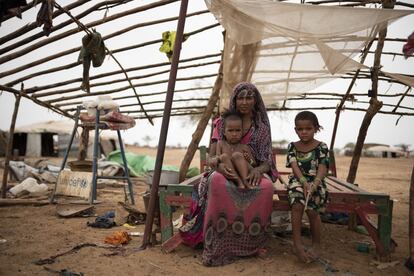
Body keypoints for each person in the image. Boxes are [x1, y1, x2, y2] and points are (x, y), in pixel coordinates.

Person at [180, 82, 278, 266]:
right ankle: (218, 241)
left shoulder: (262, 128)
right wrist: (218, 167)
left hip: (250, 170)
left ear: (255, 100)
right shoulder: (221, 122)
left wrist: (257, 170)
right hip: (223, 168)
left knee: (266, 187)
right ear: (234, 99)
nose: (245, 101)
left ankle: (255, 243)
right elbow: (212, 156)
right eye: (240, 97)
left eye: (249, 97)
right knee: (217, 182)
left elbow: (267, 162)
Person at [286, 111, 329, 263]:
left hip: (317, 181)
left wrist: (315, 183)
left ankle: (316, 244)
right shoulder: (292, 146)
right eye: (300, 129)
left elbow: (323, 166)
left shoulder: (322, 146)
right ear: (295, 129)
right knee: (297, 205)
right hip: (298, 180)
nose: (303, 132)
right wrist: (304, 182)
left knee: (312, 209)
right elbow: (294, 166)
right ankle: (297, 245)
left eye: (308, 128)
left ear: (316, 128)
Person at [212, 110, 256, 189]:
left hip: (243, 172)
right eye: (230, 130)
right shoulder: (221, 143)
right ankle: (238, 182)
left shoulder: (244, 147)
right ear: (224, 132)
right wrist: (216, 159)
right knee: (223, 157)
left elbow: (253, 164)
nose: (234, 134)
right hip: (229, 172)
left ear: (242, 132)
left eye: (238, 130)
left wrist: (249, 159)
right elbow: (217, 157)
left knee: (237, 155)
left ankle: (245, 181)